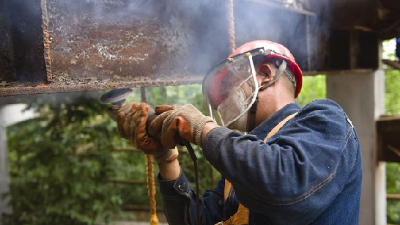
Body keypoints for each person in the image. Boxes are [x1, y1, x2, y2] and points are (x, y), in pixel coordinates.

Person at [117, 40, 362, 225]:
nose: (222, 102)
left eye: (226, 88)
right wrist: (165, 157)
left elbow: (288, 187)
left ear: (265, 74)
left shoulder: (325, 119)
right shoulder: (241, 167)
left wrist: (203, 129)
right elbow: (195, 221)